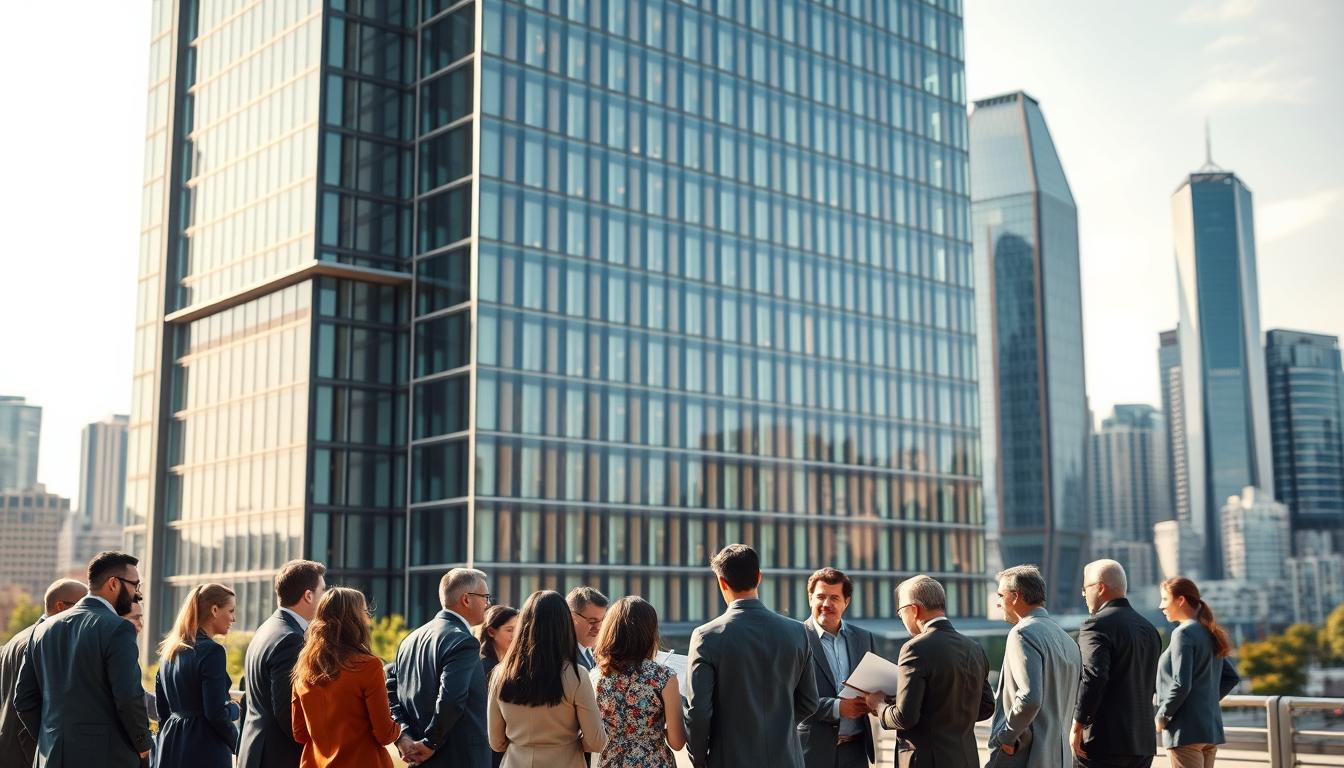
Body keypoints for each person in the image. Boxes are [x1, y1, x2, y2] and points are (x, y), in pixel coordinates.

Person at [14, 551, 153, 767]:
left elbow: (23, 700)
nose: (137, 593)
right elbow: (128, 697)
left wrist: (51, 739)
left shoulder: (42, 630)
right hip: (106, 758)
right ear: (113, 583)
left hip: (50, 757)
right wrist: (143, 744)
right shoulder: (119, 629)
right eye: (135, 585)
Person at [685, 544, 819, 768]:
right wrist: (776, 725)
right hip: (787, 759)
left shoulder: (706, 637)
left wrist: (698, 759)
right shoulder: (797, 632)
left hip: (729, 758)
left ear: (721, 582)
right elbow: (809, 701)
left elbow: (698, 712)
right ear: (759, 577)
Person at [866, 575, 994, 768]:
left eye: (901, 613)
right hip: (966, 759)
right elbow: (986, 707)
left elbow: (905, 717)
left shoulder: (914, 648)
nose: (902, 619)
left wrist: (878, 706)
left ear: (914, 610)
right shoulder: (974, 648)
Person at [488, 590, 607, 767]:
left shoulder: (500, 673)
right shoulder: (576, 674)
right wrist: (568, 745)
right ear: (565, 624)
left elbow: (496, 742)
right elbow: (596, 741)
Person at [388, 568, 493, 768]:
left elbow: (391, 692)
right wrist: (430, 743)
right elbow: (451, 699)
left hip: (416, 759)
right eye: (485, 597)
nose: (488, 604)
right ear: (466, 599)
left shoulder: (409, 639)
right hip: (458, 759)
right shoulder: (463, 641)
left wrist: (403, 737)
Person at [290, 587, 400, 767]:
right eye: (365, 612)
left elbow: (300, 733)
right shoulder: (368, 666)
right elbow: (385, 734)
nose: (368, 618)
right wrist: (399, 722)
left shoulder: (303, 668)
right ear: (354, 619)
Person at [987, 565, 1081, 768]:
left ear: (1016, 596)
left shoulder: (1022, 633)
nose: (998, 603)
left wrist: (1006, 737)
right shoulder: (1069, 641)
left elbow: (1030, 697)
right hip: (1060, 758)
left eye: (1000, 595)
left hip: (1025, 756)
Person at [1071, 560, 1161, 768]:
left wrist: (1078, 724)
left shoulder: (1095, 625)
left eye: (1085, 589)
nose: (1083, 595)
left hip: (1104, 742)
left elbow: (1094, 676)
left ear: (1100, 587)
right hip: (1143, 743)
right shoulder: (1149, 629)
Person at [238, 559, 327, 768]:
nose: (325, 599)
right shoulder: (291, 639)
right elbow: (288, 711)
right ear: (308, 595)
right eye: (323, 591)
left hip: (254, 749)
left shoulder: (266, 628)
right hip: (277, 755)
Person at [590, 596, 686, 768]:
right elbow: (677, 742)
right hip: (655, 762)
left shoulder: (597, 676)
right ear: (650, 632)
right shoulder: (664, 677)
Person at [1154, 577, 1240, 768]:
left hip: (1185, 732)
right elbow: (1231, 677)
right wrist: (1203, 703)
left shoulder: (1182, 633)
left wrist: (1163, 715)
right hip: (1209, 729)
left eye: (1165, 599)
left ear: (1181, 600)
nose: (1161, 606)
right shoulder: (1207, 631)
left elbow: (1181, 682)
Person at [797, 567, 878, 768]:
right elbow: (787, 696)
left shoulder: (864, 638)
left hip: (856, 753)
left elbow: (877, 684)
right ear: (810, 599)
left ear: (846, 602)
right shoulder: (794, 638)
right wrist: (836, 707)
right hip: (811, 753)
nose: (826, 604)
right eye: (821, 597)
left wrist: (878, 702)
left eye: (834, 598)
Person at [0, 578, 86, 766]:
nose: (85, 614)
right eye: (81, 607)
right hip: (28, 752)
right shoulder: (43, 642)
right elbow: (30, 703)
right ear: (61, 606)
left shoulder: (18, 638)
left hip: (8, 746)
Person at [154, 583, 241, 768]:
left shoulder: (170, 652)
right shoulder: (213, 651)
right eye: (231, 611)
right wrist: (238, 740)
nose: (233, 619)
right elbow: (215, 713)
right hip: (204, 747)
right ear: (215, 610)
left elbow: (162, 711)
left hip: (171, 745)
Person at [477, 605, 519, 768]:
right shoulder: (484, 667)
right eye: (509, 630)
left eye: (518, 629)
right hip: (489, 750)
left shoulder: (506, 665)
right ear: (491, 632)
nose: (515, 635)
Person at [568, 587, 609, 671]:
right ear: (572, 618)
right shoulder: (565, 658)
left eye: (602, 620)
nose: (598, 627)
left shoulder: (593, 652)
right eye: (592, 621)